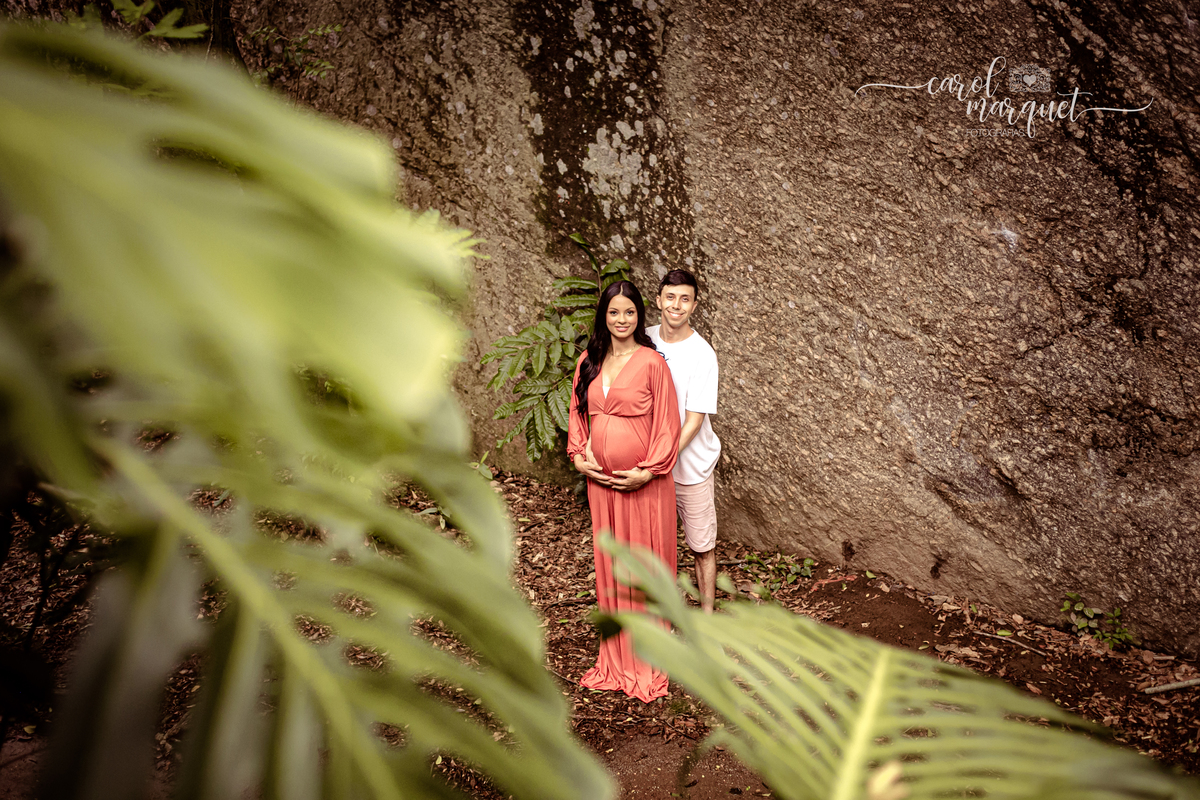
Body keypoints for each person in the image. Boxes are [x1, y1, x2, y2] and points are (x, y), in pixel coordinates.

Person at [567, 280, 681, 703]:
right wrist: (579, 456)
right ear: (604, 315)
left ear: (639, 316)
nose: (621, 319)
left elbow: (668, 423)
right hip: (602, 485)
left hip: (643, 485)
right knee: (613, 568)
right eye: (614, 312)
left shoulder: (652, 363)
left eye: (629, 312)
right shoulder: (589, 361)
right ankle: (616, 658)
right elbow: (578, 416)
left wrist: (647, 471)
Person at [646, 270, 722, 614]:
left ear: (694, 305)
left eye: (685, 299)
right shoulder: (644, 339)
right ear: (659, 299)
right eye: (671, 297)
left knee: (701, 546)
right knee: (651, 546)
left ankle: (706, 620)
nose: (676, 305)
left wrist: (660, 459)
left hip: (689, 467)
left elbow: (693, 421)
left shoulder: (702, 354)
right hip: (648, 463)